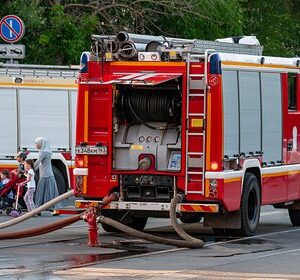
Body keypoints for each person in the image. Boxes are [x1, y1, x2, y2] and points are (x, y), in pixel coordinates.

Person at [34, 137, 60, 210]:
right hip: (47, 174)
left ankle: (38, 207)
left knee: (41, 191)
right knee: (50, 191)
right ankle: (50, 207)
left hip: (45, 175)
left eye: (37, 143)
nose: (36, 145)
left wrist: (29, 167)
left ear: (41, 144)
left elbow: (38, 162)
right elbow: (40, 164)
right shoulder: (45, 152)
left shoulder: (43, 152)